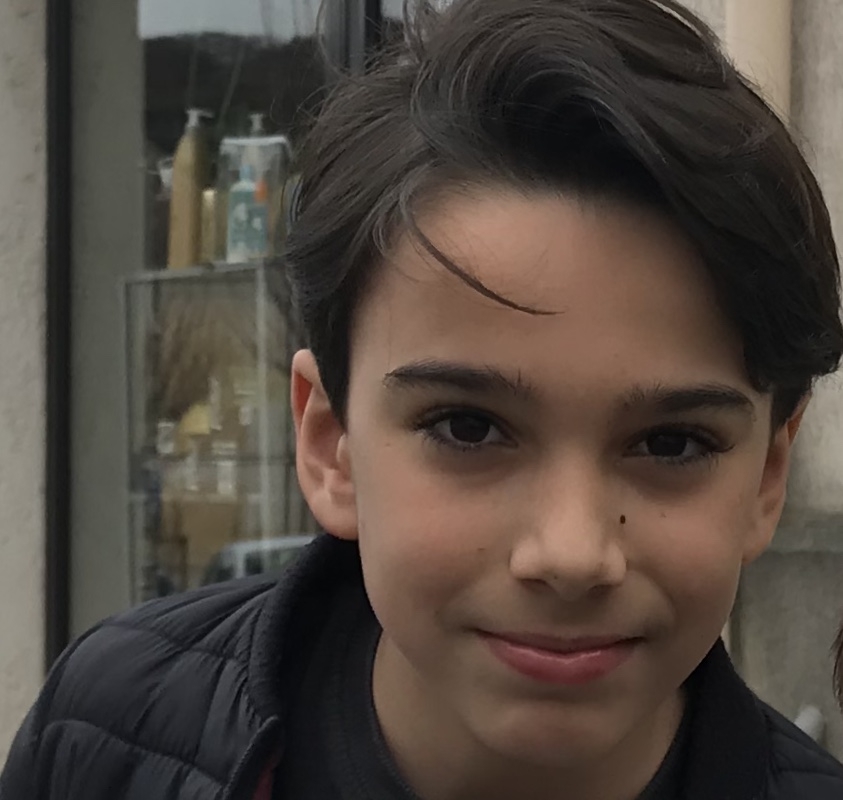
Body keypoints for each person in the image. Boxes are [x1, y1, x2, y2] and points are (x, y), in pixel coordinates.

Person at [4, 0, 843, 797]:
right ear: (328, 445)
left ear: (767, 478)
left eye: (672, 443)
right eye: (468, 428)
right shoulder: (107, 733)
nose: (570, 553)